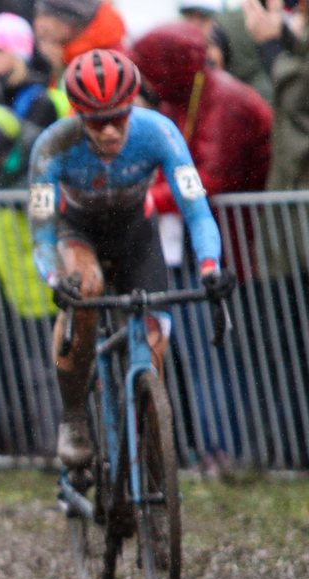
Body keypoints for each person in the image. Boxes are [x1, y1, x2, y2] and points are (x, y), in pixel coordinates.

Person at [28, 49, 234, 467]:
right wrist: (54, 278)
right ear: (77, 116)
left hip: (136, 235)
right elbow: (42, 234)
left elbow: (196, 209)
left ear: (133, 104)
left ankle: (146, 450)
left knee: (153, 343)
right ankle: (73, 419)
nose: (108, 132)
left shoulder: (159, 133)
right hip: (78, 234)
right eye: (96, 121)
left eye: (118, 117)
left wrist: (210, 265)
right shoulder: (52, 148)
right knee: (86, 291)